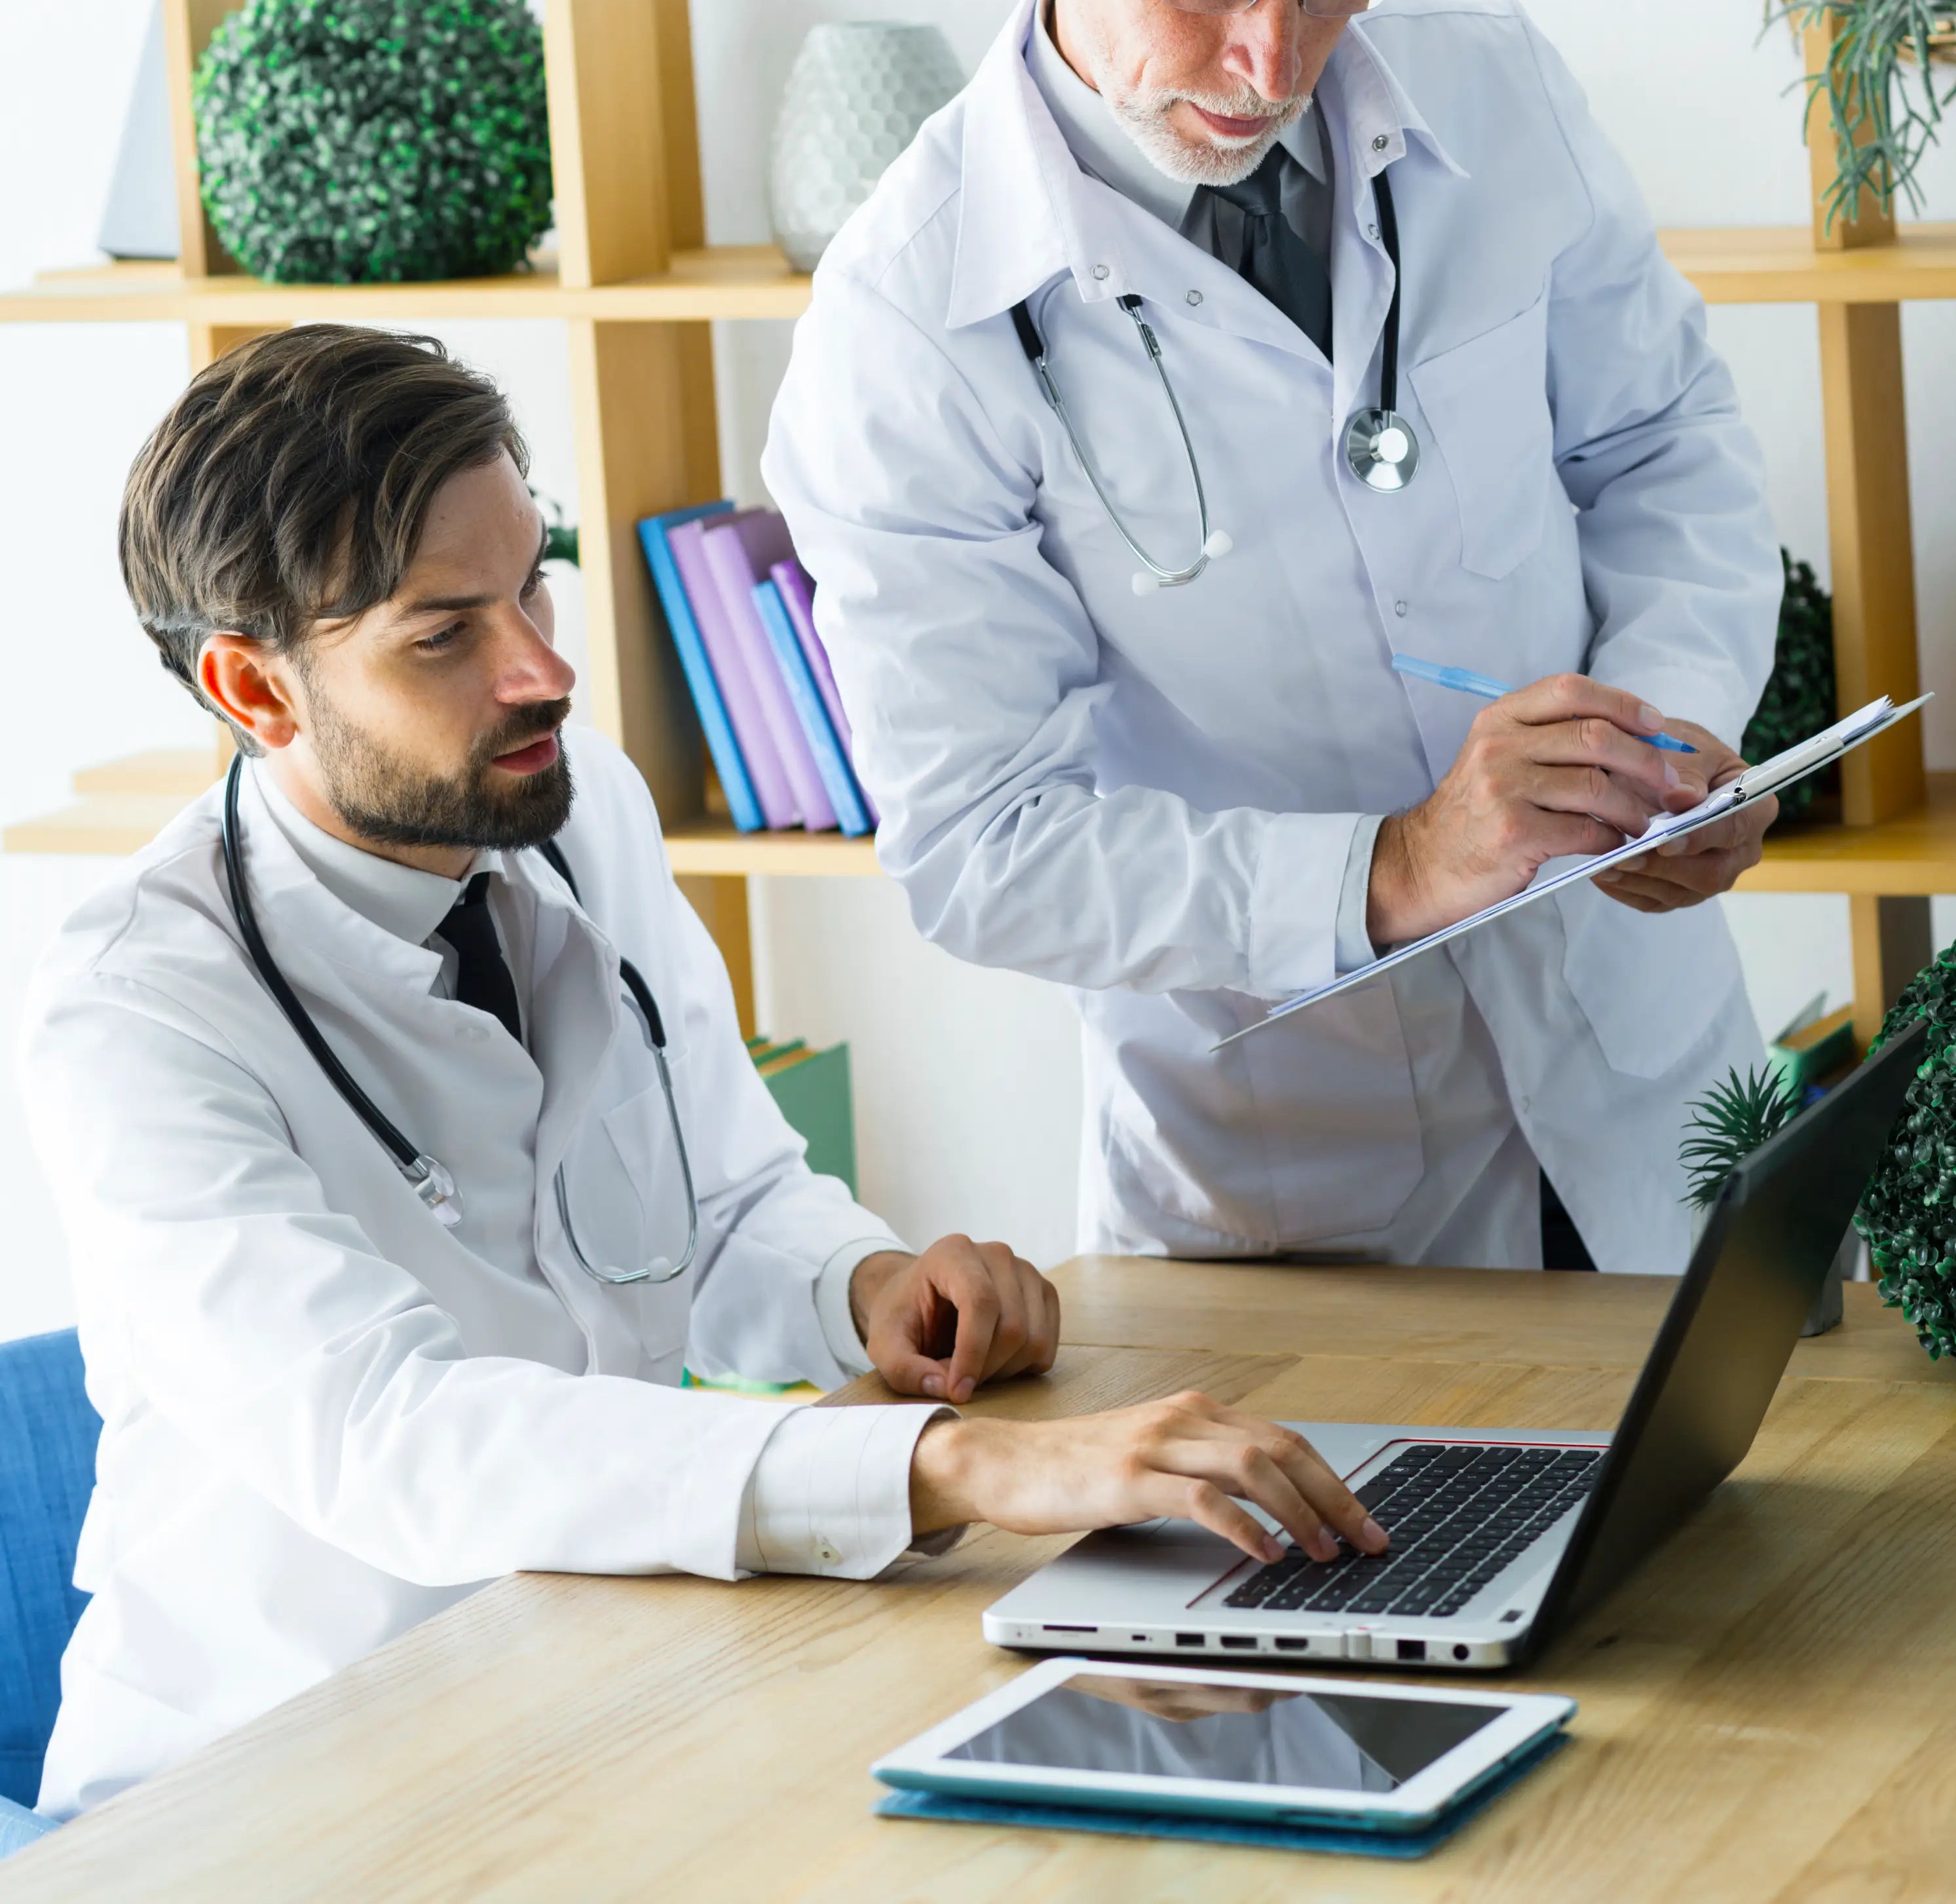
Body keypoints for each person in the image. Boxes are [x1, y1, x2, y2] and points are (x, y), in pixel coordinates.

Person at [20, 326, 1384, 1819]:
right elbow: (393, 1438)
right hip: (265, 1793)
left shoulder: (566, 799)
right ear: (255, 690)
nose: (542, 669)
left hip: (586, 1682)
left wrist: (869, 1293)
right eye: (444, 635)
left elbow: (725, 1196)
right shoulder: (136, 1018)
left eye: (533, 584)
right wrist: (950, 1464)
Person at [764, 0, 1784, 1280]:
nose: (1273, 59)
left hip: (1653, 1078)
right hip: (1300, 1185)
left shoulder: (1493, 84)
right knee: (1426, 1545)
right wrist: (1394, 868)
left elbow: (1662, 440)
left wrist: (1665, 746)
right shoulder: (905, 324)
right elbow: (979, 845)